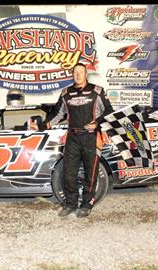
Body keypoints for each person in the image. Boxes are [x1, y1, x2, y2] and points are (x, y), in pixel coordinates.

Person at [30, 63, 113, 218]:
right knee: (69, 173)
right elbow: (57, 114)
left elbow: (109, 112)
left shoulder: (97, 91)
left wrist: (97, 123)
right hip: (72, 138)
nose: (78, 75)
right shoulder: (66, 93)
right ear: (72, 74)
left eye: (81, 72)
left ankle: (87, 204)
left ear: (86, 73)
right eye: (75, 72)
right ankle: (70, 203)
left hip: (91, 137)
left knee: (91, 173)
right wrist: (41, 126)